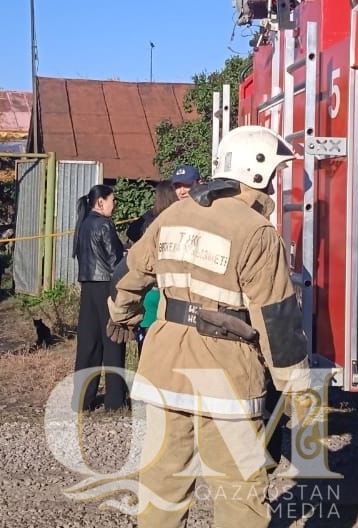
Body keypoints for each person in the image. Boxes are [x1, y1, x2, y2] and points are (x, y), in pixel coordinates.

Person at [107, 126, 312, 528]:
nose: (274, 185)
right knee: (239, 496)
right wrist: (300, 391)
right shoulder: (256, 232)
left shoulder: (173, 214)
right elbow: (278, 321)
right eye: (273, 175)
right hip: (227, 379)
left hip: (165, 371)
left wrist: (123, 315)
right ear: (260, 174)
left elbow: (129, 274)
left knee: (161, 490)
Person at [73, 184, 127, 412]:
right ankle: (115, 401)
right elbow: (115, 259)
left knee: (88, 343)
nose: (114, 205)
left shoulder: (83, 224)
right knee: (113, 340)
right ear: (101, 202)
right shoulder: (105, 224)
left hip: (87, 286)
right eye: (112, 200)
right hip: (106, 286)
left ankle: (82, 400)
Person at [125, 180, 181, 352]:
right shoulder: (178, 221)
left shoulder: (150, 220)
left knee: (147, 334)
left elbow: (131, 232)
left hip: (150, 286)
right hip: (172, 288)